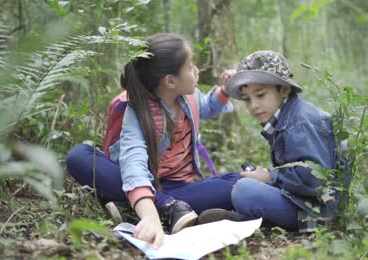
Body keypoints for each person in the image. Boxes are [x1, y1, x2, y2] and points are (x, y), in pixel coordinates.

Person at [66, 33, 240, 248]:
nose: (196, 70)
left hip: (180, 187)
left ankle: (135, 206)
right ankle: (167, 207)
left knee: (240, 183)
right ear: (170, 81)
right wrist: (151, 217)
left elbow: (206, 106)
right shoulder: (138, 111)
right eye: (190, 66)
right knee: (79, 156)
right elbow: (133, 162)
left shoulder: (189, 98)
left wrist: (224, 91)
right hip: (141, 181)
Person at [198, 51, 339, 233]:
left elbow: (313, 178)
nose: (254, 105)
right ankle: (251, 219)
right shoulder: (286, 116)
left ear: (284, 89)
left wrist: (270, 176)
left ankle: (249, 220)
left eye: (261, 95)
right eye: (247, 99)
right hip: (303, 201)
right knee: (245, 185)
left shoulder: (299, 122)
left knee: (245, 190)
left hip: (315, 212)